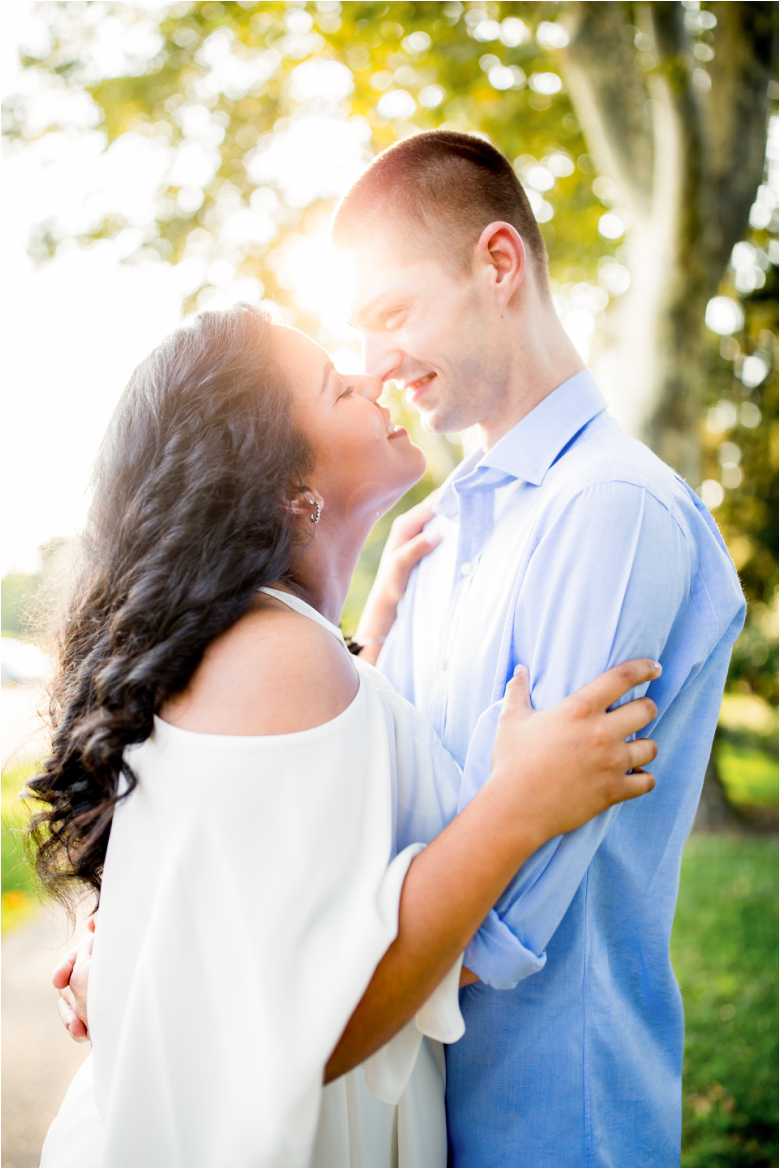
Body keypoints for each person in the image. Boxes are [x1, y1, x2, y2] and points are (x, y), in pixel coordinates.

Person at [33, 303, 660, 1168]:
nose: (374, 376)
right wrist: (522, 802)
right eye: (336, 385)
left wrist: (371, 634)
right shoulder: (273, 651)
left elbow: (265, 861)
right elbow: (316, 1020)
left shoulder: (282, 645)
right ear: (290, 487)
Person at [326, 129, 747, 1168]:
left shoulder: (610, 507)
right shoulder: (439, 527)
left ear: (499, 264)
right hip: (418, 1121)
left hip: (555, 1127)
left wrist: (243, 1009)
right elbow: (368, 807)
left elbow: (490, 931)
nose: (374, 365)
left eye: (392, 312)